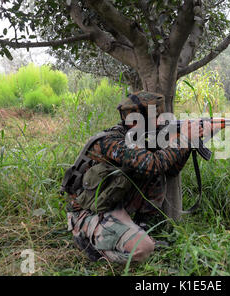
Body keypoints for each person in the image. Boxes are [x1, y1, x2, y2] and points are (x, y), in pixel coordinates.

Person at [64, 91, 219, 263]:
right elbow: (153, 163)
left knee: (154, 172)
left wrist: (189, 142)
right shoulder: (113, 142)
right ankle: (92, 244)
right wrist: (182, 139)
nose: (161, 122)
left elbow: (170, 170)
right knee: (144, 249)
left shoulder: (141, 138)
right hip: (87, 212)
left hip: (111, 202)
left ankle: (138, 225)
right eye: (156, 118)